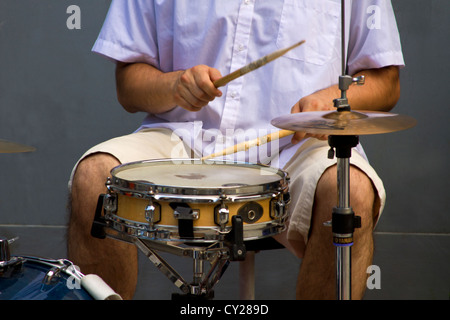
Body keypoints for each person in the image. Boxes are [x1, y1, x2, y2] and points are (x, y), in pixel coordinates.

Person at [67, 0, 404, 300]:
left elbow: (385, 82)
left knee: (352, 192)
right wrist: (174, 85)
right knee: (94, 176)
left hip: (296, 145)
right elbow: (128, 86)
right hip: (184, 138)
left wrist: (327, 104)